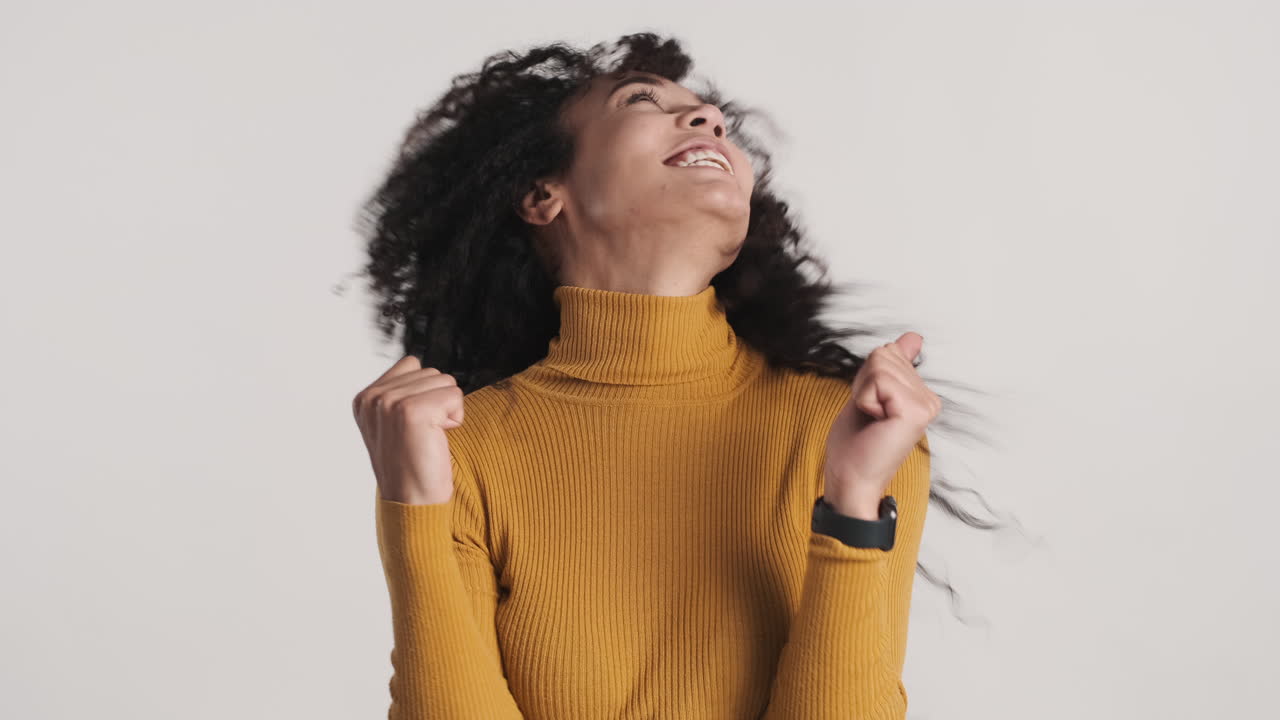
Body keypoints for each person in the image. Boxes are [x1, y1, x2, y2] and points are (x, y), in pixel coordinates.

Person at [349, 31, 1001, 720]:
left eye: (713, 115)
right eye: (643, 100)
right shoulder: (460, 448)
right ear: (543, 193)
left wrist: (854, 500)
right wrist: (414, 511)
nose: (709, 120)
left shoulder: (852, 430)